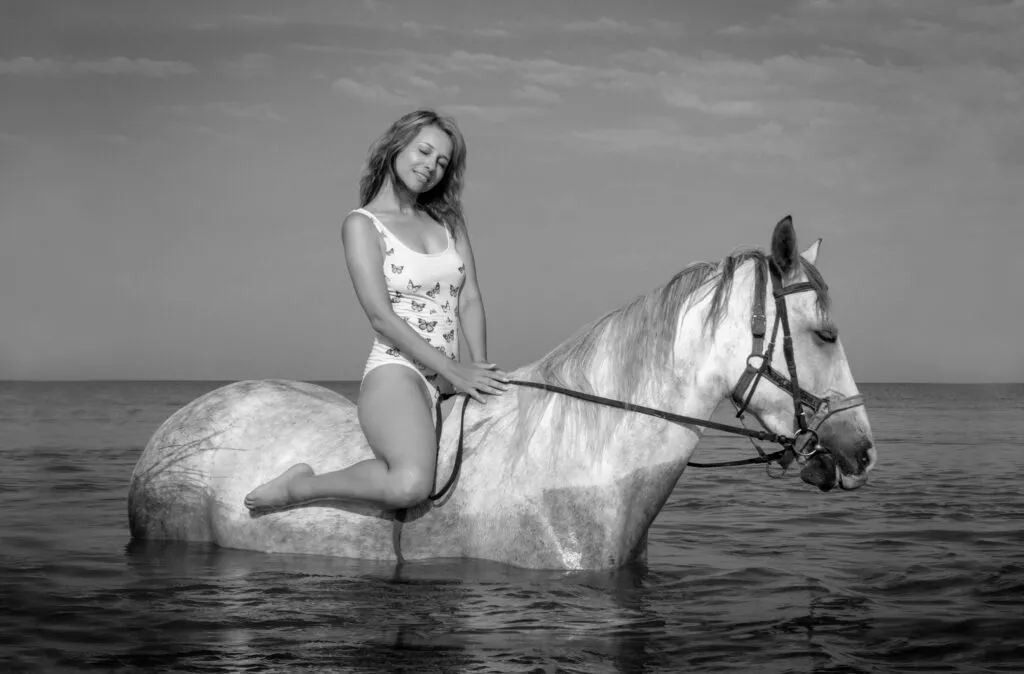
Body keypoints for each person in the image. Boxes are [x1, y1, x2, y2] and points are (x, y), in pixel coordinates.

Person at [244, 109, 509, 511]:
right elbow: (380, 316)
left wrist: (480, 368)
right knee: (409, 485)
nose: (431, 167)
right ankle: (299, 487)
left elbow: (469, 297)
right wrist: (454, 370)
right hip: (397, 370)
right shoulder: (362, 225)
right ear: (396, 146)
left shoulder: (449, 222)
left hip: (451, 375)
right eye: (423, 151)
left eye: (442, 162)